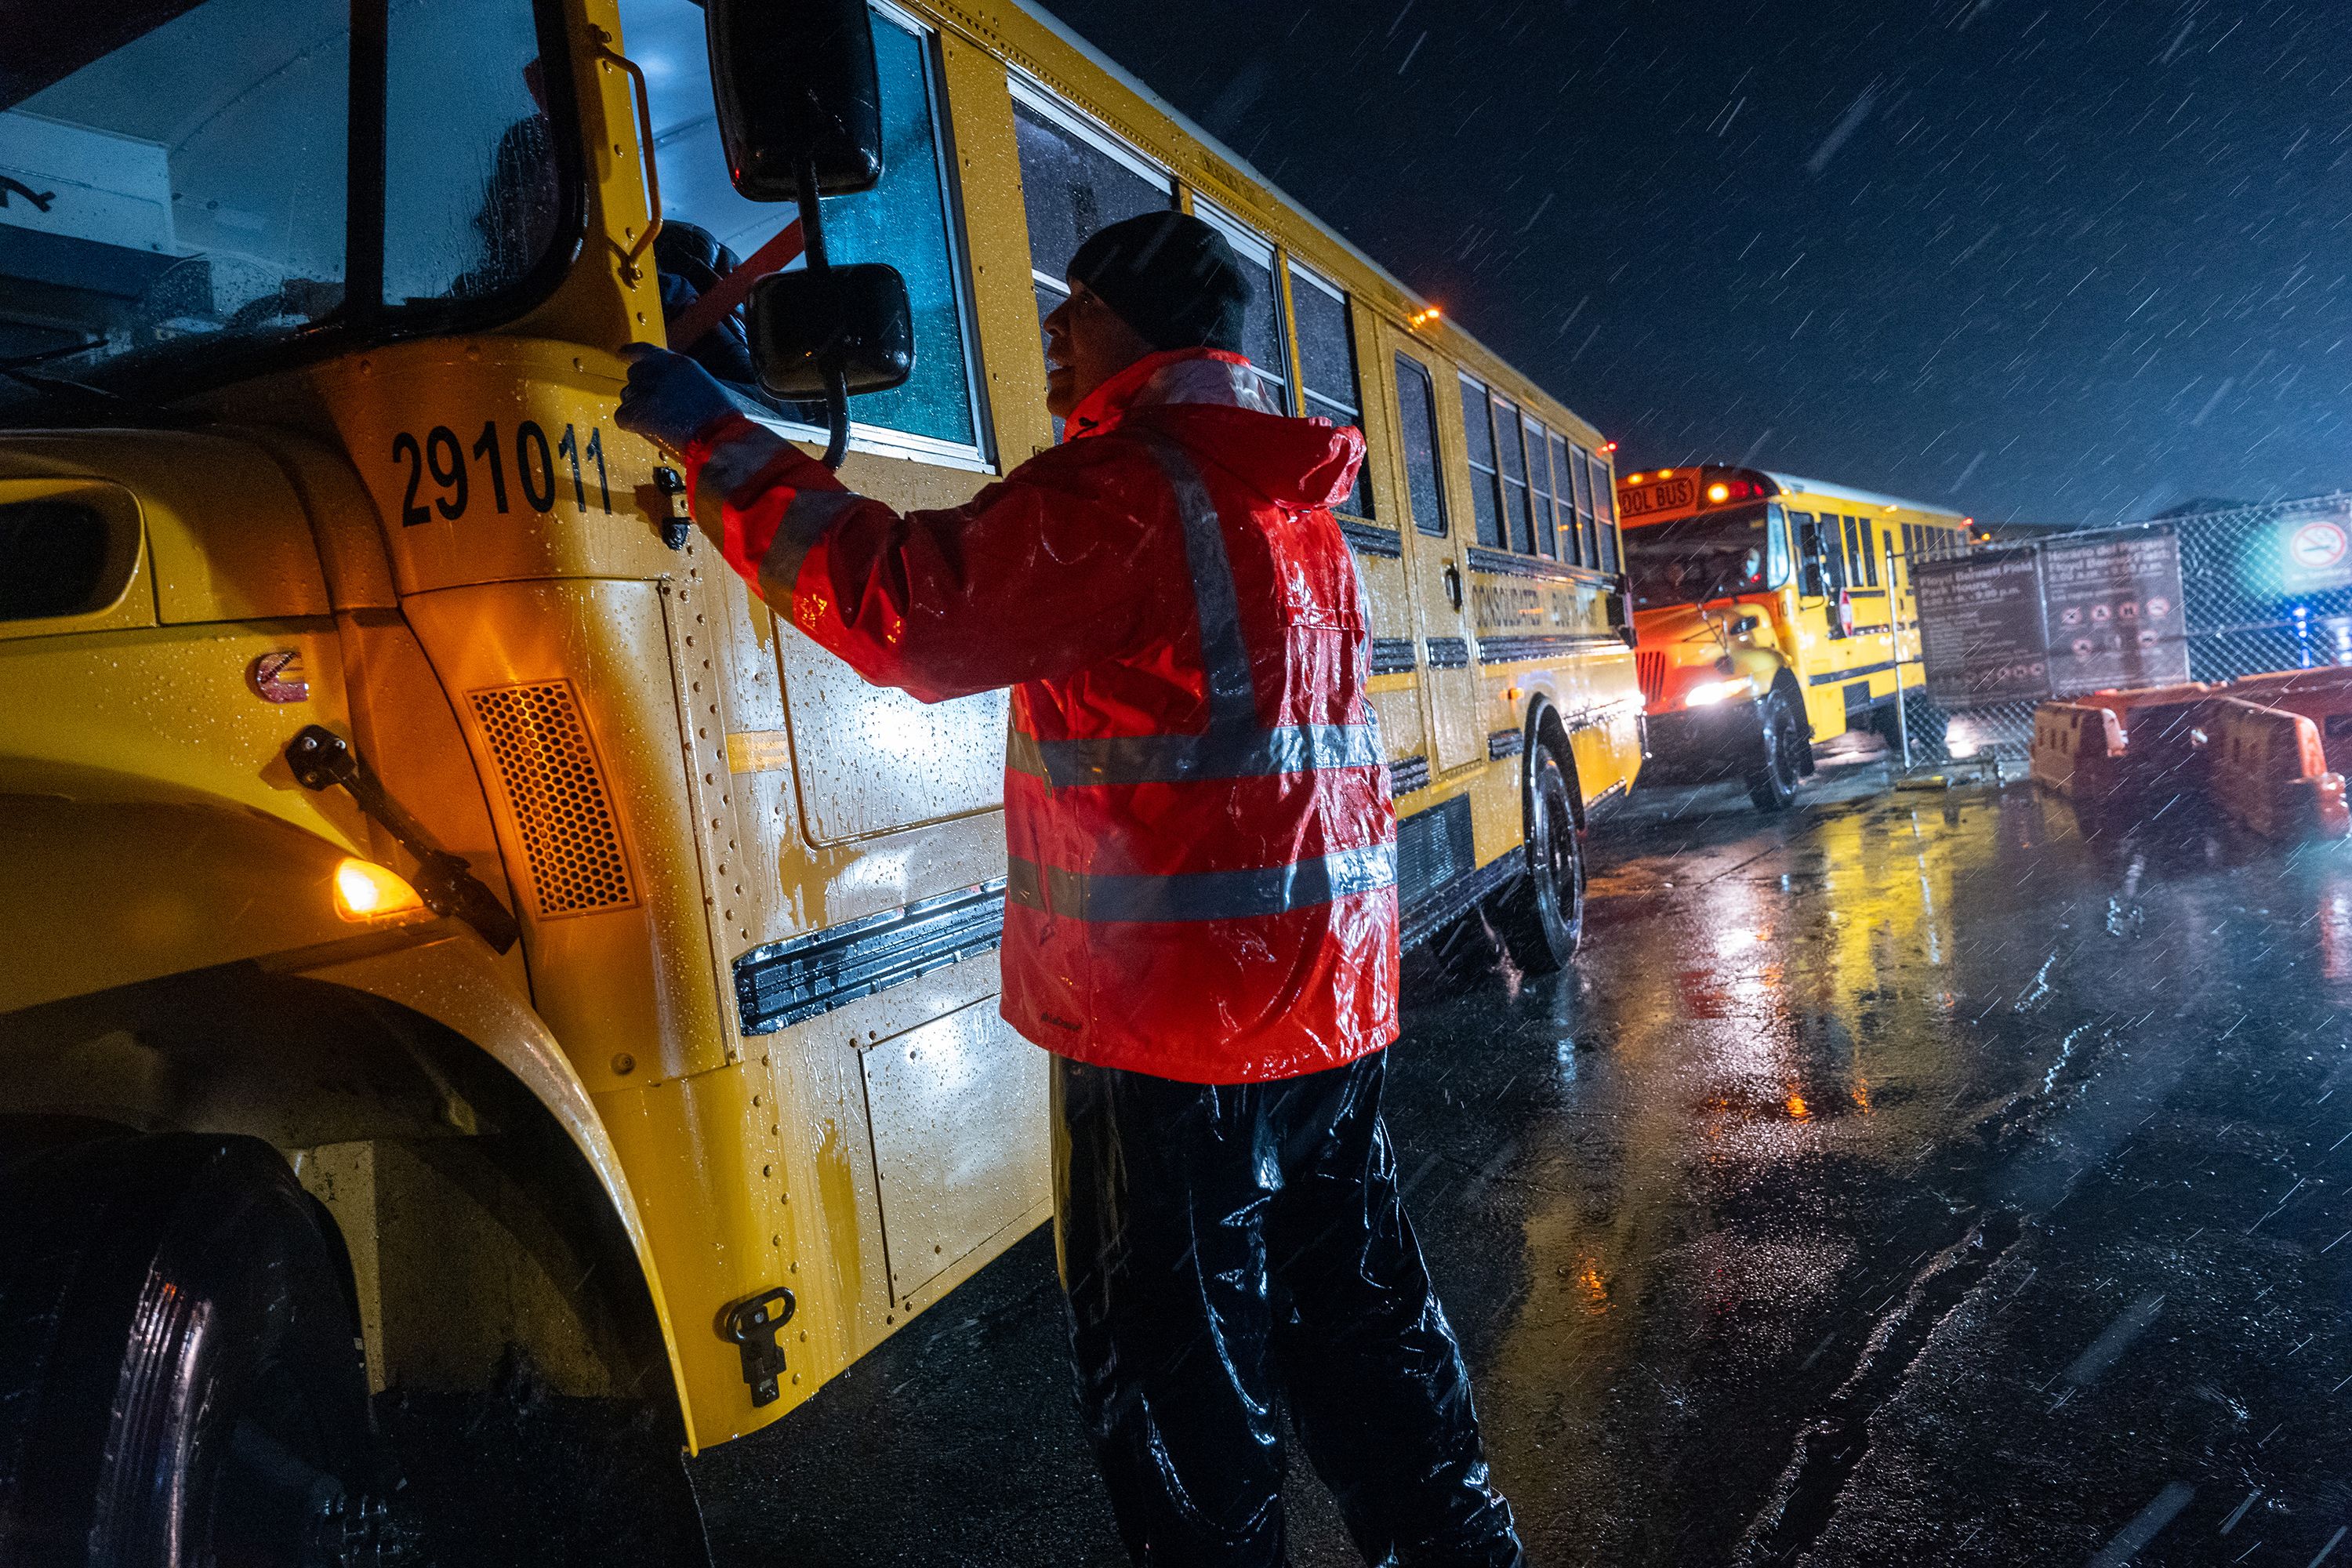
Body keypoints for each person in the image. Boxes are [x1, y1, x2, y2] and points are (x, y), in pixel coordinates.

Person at [615, 211, 1523, 1568]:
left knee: (1182, 1391)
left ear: (1143, 333)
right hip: (1325, 1004)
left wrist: (720, 444)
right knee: (1363, 1323)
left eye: (1077, 305)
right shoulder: (1290, 508)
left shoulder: (1128, 496)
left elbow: (907, 607)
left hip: (1168, 1032)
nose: (1050, 328)